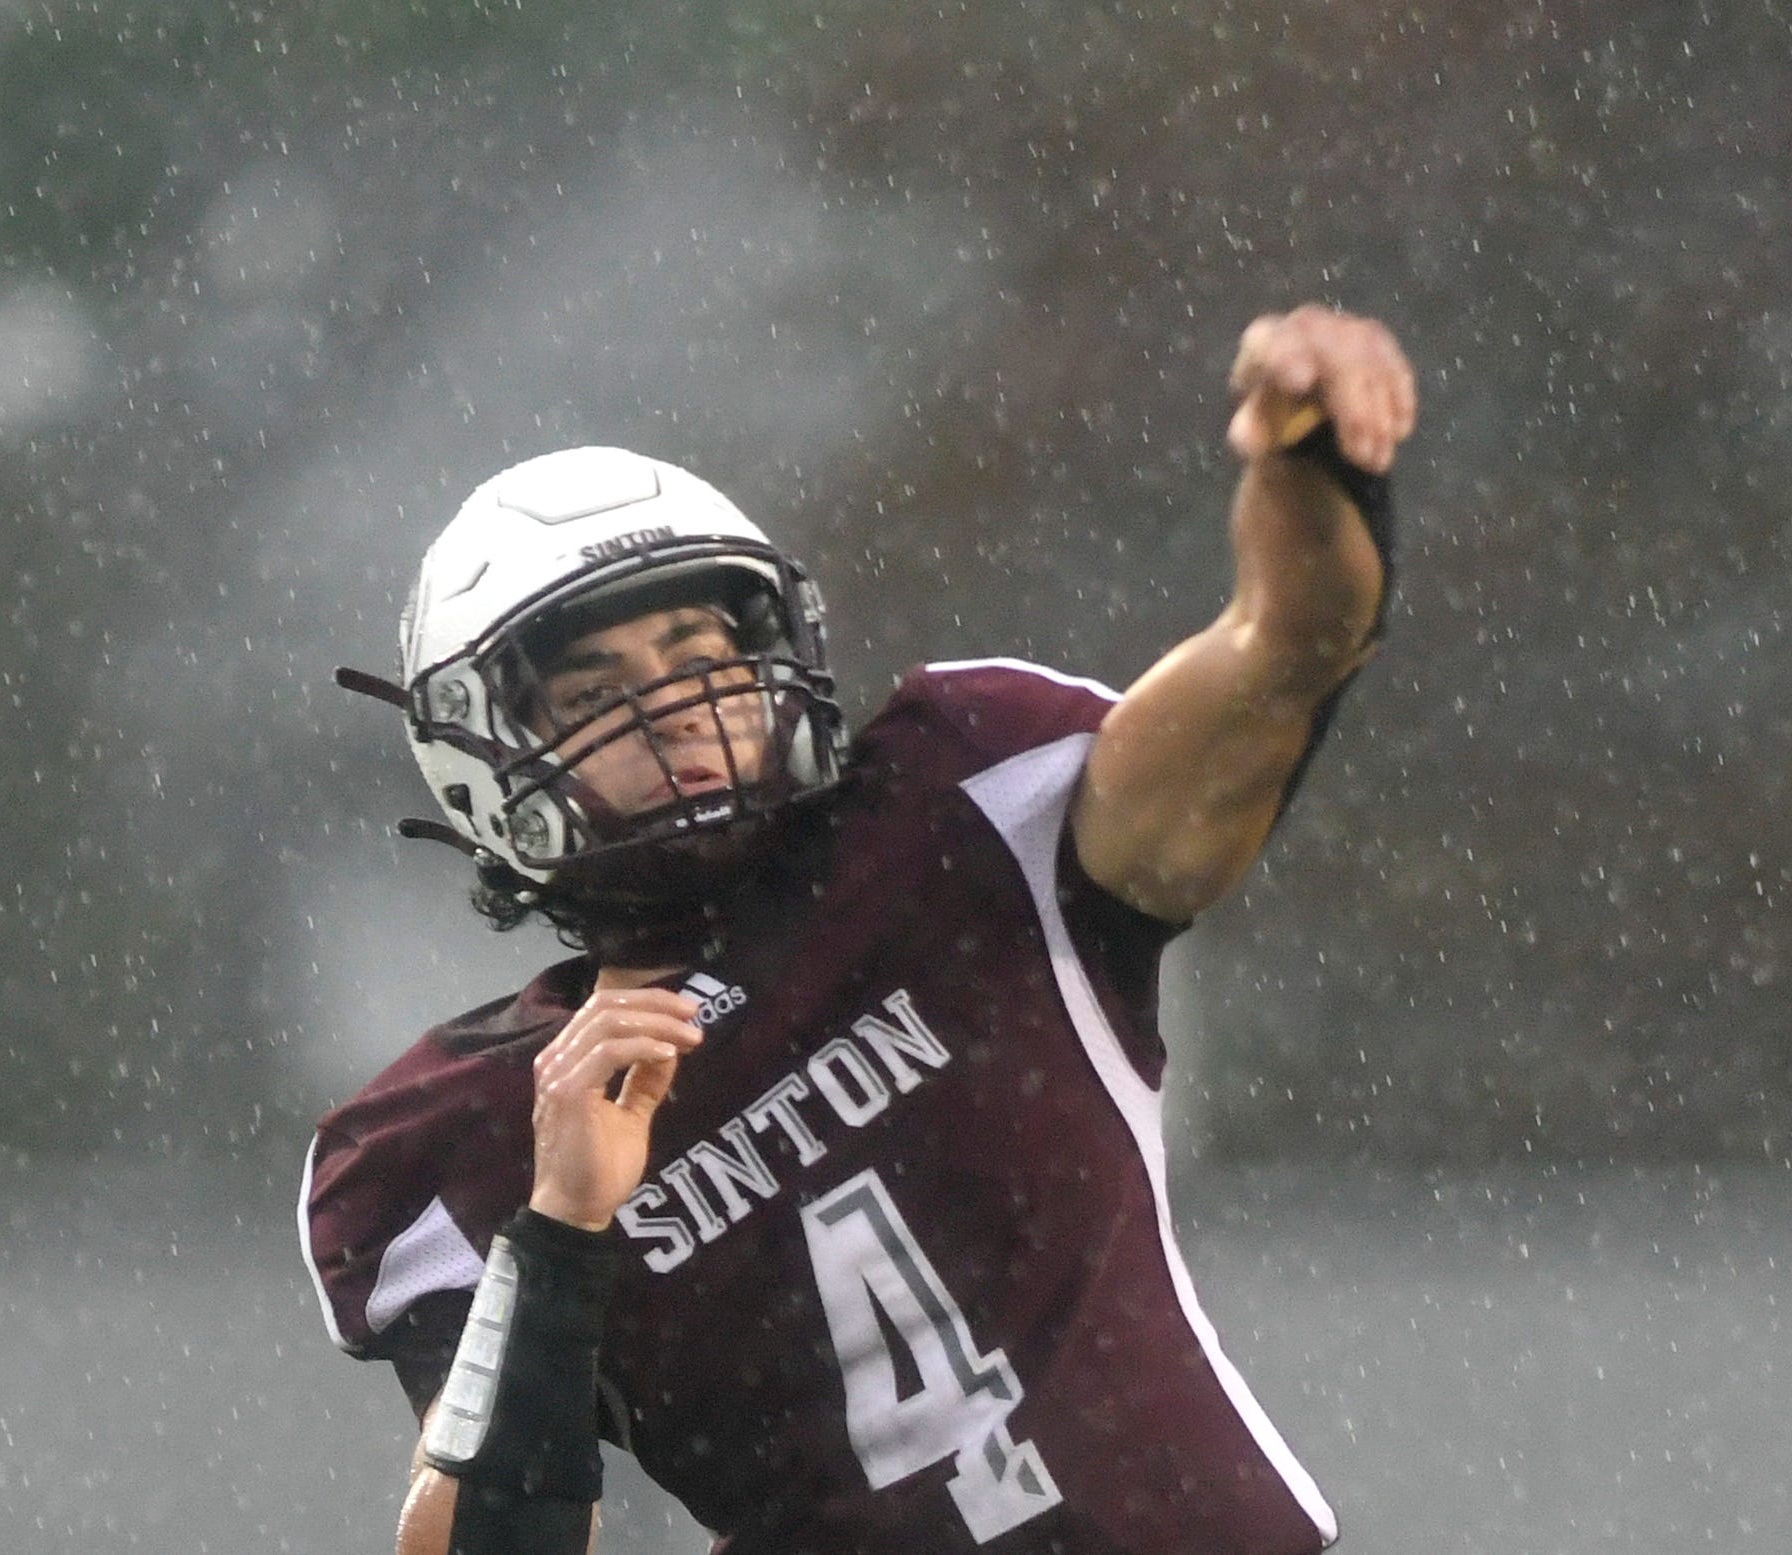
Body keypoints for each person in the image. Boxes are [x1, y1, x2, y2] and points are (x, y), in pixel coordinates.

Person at [298, 305, 1416, 1555]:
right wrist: (558, 1232)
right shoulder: (460, 1135)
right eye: (596, 692)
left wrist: (1307, 472)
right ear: (492, 770)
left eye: (693, 651)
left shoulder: (958, 814)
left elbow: (1283, 650)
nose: (670, 710)